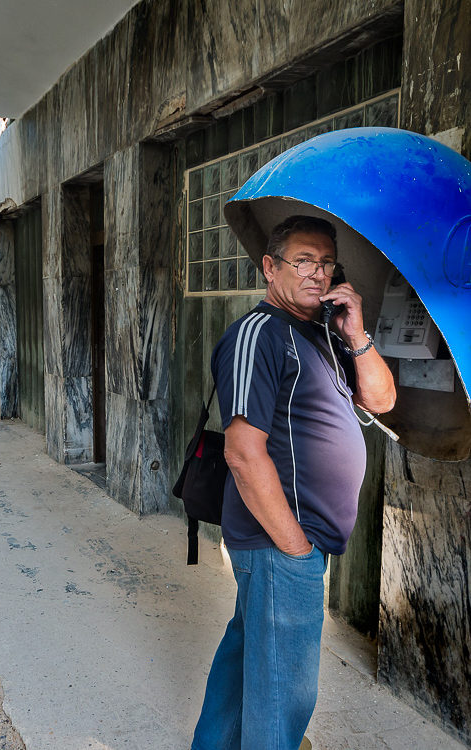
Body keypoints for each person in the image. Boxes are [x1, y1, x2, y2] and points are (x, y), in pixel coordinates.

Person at [191, 215, 396, 750]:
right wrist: (297, 548)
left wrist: (356, 332)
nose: (317, 274)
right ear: (269, 267)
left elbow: (381, 401)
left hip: (293, 546)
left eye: (326, 263)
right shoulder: (259, 335)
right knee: (284, 696)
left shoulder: (325, 336)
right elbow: (242, 450)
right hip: (281, 543)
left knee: (245, 668)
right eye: (302, 261)